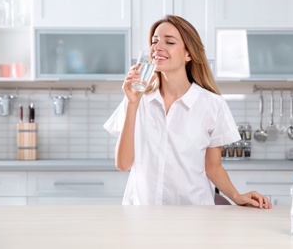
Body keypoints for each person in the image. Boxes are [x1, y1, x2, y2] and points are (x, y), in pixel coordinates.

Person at [104, 14, 272, 209]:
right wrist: (132, 103)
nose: (157, 47)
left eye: (169, 42)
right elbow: (123, 164)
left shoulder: (212, 105)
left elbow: (212, 167)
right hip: (142, 215)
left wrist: (237, 196)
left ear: (188, 54)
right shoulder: (136, 99)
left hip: (194, 216)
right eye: (154, 41)